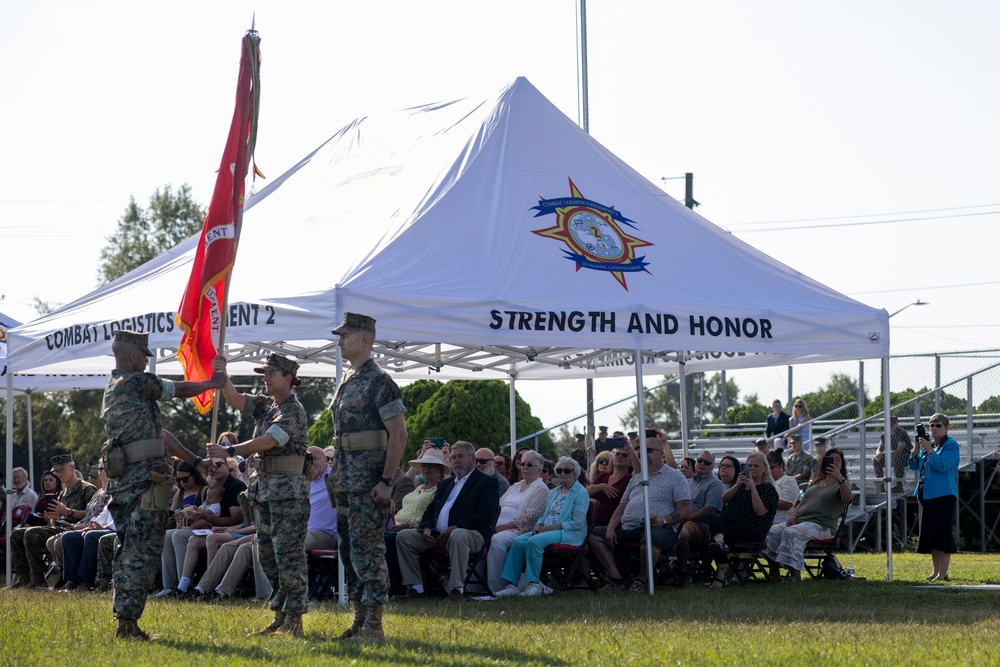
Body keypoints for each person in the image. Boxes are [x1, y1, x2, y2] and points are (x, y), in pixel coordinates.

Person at [101, 329, 225, 639]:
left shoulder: (116, 387)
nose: (146, 362)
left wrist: (196, 462)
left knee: (128, 548)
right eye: (144, 357)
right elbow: (178, 389)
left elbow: (163, 437)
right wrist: (212, 383)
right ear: (133, 356)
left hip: (128, 484)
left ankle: (125, 619)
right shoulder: (136, 382)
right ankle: (127, 624)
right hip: (144, 484)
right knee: (140, 552)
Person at [210, 352, 310, 636]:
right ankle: (280, 615)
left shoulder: (293, 410)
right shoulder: (266, 407)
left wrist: (230, 450)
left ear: (288, 378)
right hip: (265, 492)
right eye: (264, 373)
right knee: (267, 555)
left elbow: (269, 440)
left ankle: (295, 619)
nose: (265, 378)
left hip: (287, 495)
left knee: (288, 557)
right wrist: (223, 375)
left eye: (270, 374)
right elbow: (236, 400)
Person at [326, 312, 407, 642]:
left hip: (369, 482)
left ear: (365, 339)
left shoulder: (379, 382)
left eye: (346, 336)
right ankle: (360, 620)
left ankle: (374, 625)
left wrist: (387, 480)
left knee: (366, 550)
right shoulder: (348, 379)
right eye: (340, 336)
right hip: (346, 481)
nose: (340, 341)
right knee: (348, 550)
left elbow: (398, 434)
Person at [395, 441, 500, 600]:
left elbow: (485, 514)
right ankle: (416, 589)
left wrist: (456, 526)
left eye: (460, 456)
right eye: (453, 457)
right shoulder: (446, 484)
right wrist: (426, 527)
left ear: (472, 459)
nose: (456, 460)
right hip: (437, 535)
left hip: (471, 534)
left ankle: (456, 590)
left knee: (458, 535)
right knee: (404, 537)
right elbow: (431, 509)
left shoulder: (486, 482)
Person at [588, 439, 691, 591]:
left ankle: (641, 580)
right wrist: (610, 528)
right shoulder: (637, 477)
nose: (645, 454)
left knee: (651, 538)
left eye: (649, 450)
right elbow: (620, 508)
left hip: (659, 527)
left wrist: (664, 521)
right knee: (593, 535)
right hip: (628, 526)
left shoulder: (675, 476)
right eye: (642, 451)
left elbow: (685, 509)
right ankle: (616, 579)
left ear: (661, 453)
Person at [493, 456, 590, 597]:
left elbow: (577, 523)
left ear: (574, 473)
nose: (562, 473)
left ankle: (534, 584)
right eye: (559, 470)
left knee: (534, 542)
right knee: (518, 541)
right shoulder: (555, 492)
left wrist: (549, 528)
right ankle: (512, 585)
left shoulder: (581, 493)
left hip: (567, 532)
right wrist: (539, 524)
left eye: (566, 470)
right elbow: (545, 514)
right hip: (547, 530)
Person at [763, 447, 852, 581]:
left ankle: (795, 575)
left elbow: (848, 499)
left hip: (822, 526)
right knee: (771, 532)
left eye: (837, 460)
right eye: (831, 460)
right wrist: (793, 515)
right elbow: (801, 503)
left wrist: (840, 479)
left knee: (791, 532)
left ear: (842, 465)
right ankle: (774, 571)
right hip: (801, 522)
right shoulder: (816, 483)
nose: (834, 462)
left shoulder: (842, 484)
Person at [9, 454, 97, 589]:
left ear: (72, 467)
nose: (59, 474)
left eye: (61, 470)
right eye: (56, 471)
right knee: (16, 535)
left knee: (32, 533)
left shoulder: (87, 489)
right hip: (61, 527)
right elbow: (56, 520)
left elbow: (93, 514)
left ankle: (38, 579)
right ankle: (23, 577)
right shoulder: (63, 492)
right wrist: (53, 517)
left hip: (76, 528)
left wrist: (68, 511)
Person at [707, 452, 779, 587]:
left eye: (756, 466)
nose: (752, 468)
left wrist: (753, 488)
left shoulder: (768, 489)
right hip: (731, 521)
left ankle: (720, 575)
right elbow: (724, 499)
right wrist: (737, 485)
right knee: (715, 522)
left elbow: (760, 511)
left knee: (723, 534)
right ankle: (720, 547)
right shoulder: (739, 485)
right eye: (749, 465)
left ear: (764, 468)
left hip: (752, 528)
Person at [385, 448, 449, 594]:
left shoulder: (441, 489)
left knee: (387, 540)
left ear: (439, 469)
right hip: (397, 525)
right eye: (424, 465)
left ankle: (394, 586)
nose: (426, 469)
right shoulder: (419, 487)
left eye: (430, 466)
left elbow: (435, 514)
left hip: (418, 529)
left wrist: (407, 525)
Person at [485, 450, 549, 594]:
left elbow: (532, 516)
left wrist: (505, 527)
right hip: (497, 526)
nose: (524, 467)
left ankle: (497, 587)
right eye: (523, 464)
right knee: (475, 535)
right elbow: (498, 505)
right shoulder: (514, 486)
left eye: (529, 465)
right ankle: (472, 586)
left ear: (539, 469)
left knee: (497, 541)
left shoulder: (541, 489)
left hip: (519, 530)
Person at [908, 414, 959, 581]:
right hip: (927, 496)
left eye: (938, 425)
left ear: (946, 428)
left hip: (943, 495)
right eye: (932, 426)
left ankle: (943, 573)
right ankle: (935, 571)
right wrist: (917, 447)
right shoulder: (927, 447)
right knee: (932, 535)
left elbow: (943, 465)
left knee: (942, 534)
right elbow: (913, 465)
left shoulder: (950, 445)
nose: (934, 428)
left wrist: (930, 449)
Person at [57, 462, 116, 591]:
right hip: (102, 528)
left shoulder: (121, 490)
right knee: (69, 537)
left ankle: (86, 580)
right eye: (99, 468)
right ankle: (73, 580)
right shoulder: (104, 491)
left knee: (91, 536)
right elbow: (103, 514)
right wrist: (92, 525)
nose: (101, 471)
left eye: (104, 468)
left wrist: (101, 528)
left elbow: (120, 518)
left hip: (115, 530)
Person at [676, 451, 724, 585]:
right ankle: (668, 569)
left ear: (712, 466)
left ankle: (683, 571)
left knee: (679, 534)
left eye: (707, 462)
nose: (702, 464)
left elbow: (709, 510)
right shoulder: (687, 482)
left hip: (700, 525)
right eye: (700, 460)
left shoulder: (715, 484)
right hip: (680, 520)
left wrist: (687, 517)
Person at [588, 444, 638, 528]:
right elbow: (586, 493)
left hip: (611, 525)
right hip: (590, 521)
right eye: (617, 454)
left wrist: (629, 448)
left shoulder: (630, 479)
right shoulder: (603, 476)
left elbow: (638, 471)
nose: (620, 456)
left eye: (624, 455)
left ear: (630, 463)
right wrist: (601, 487)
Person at [303, 446, 339, 552]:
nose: (311, 463)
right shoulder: (303, 482)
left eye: (315, 458)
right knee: (257, 547)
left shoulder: (334, 479)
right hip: (302, 532)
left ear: (325, 460)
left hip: (325, 534)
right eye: (307, 460)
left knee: (292, 545)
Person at [875, 417, 913, 493]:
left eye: (892, 424)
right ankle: (881, 485)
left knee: (897, 458)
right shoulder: (885, 435)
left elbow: (899, 450)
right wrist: (878, 454)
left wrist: (884, 454)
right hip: (891, 456)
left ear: (896, 424)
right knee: (876, 460)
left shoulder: (902, 433)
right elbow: (880, 448)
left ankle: (899, 485)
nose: (890, 426)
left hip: (906, 456)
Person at [767, 449, 800, 525]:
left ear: (781, 465)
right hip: (766, 520)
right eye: (767, 468)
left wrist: (764, 500)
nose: (769, 471)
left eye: (772, 468)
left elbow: (786, 504)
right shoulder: (766, 482)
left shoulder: (788, 480)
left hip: (781, 521)